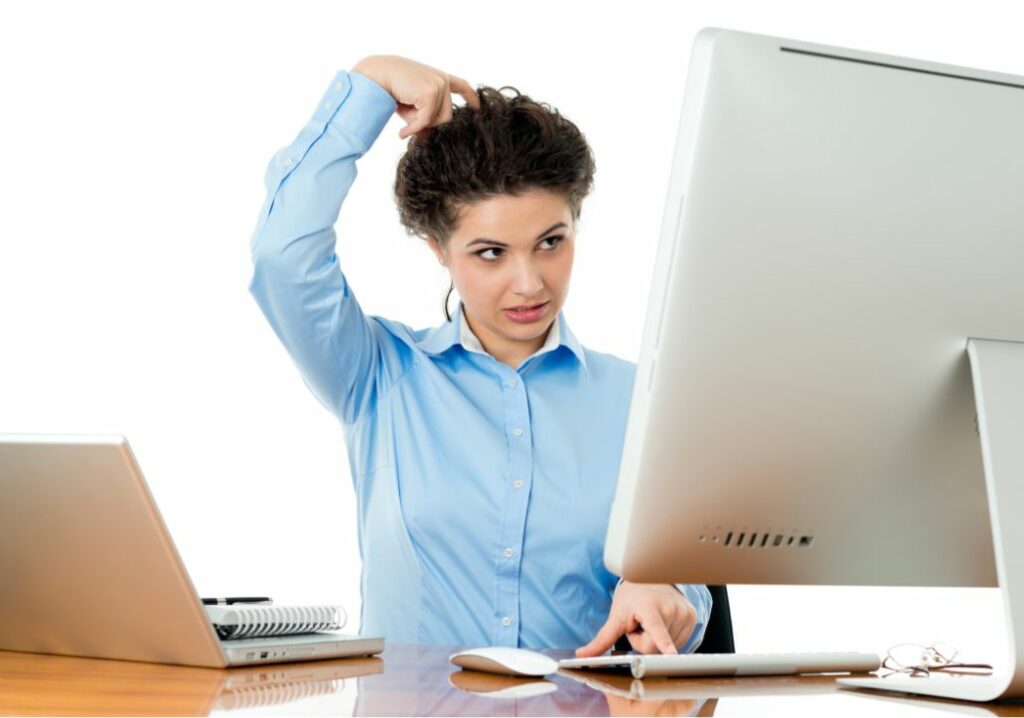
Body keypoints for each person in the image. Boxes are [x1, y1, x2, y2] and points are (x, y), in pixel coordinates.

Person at [248, 54, 711, 655]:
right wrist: (369, 86)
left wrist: (663, 589)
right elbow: (282, 256)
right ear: (439, 248)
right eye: (491, 253)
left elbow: (691, 582)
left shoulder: (643, 400)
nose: (529, 283)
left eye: (551, 242)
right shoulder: (379, 376)